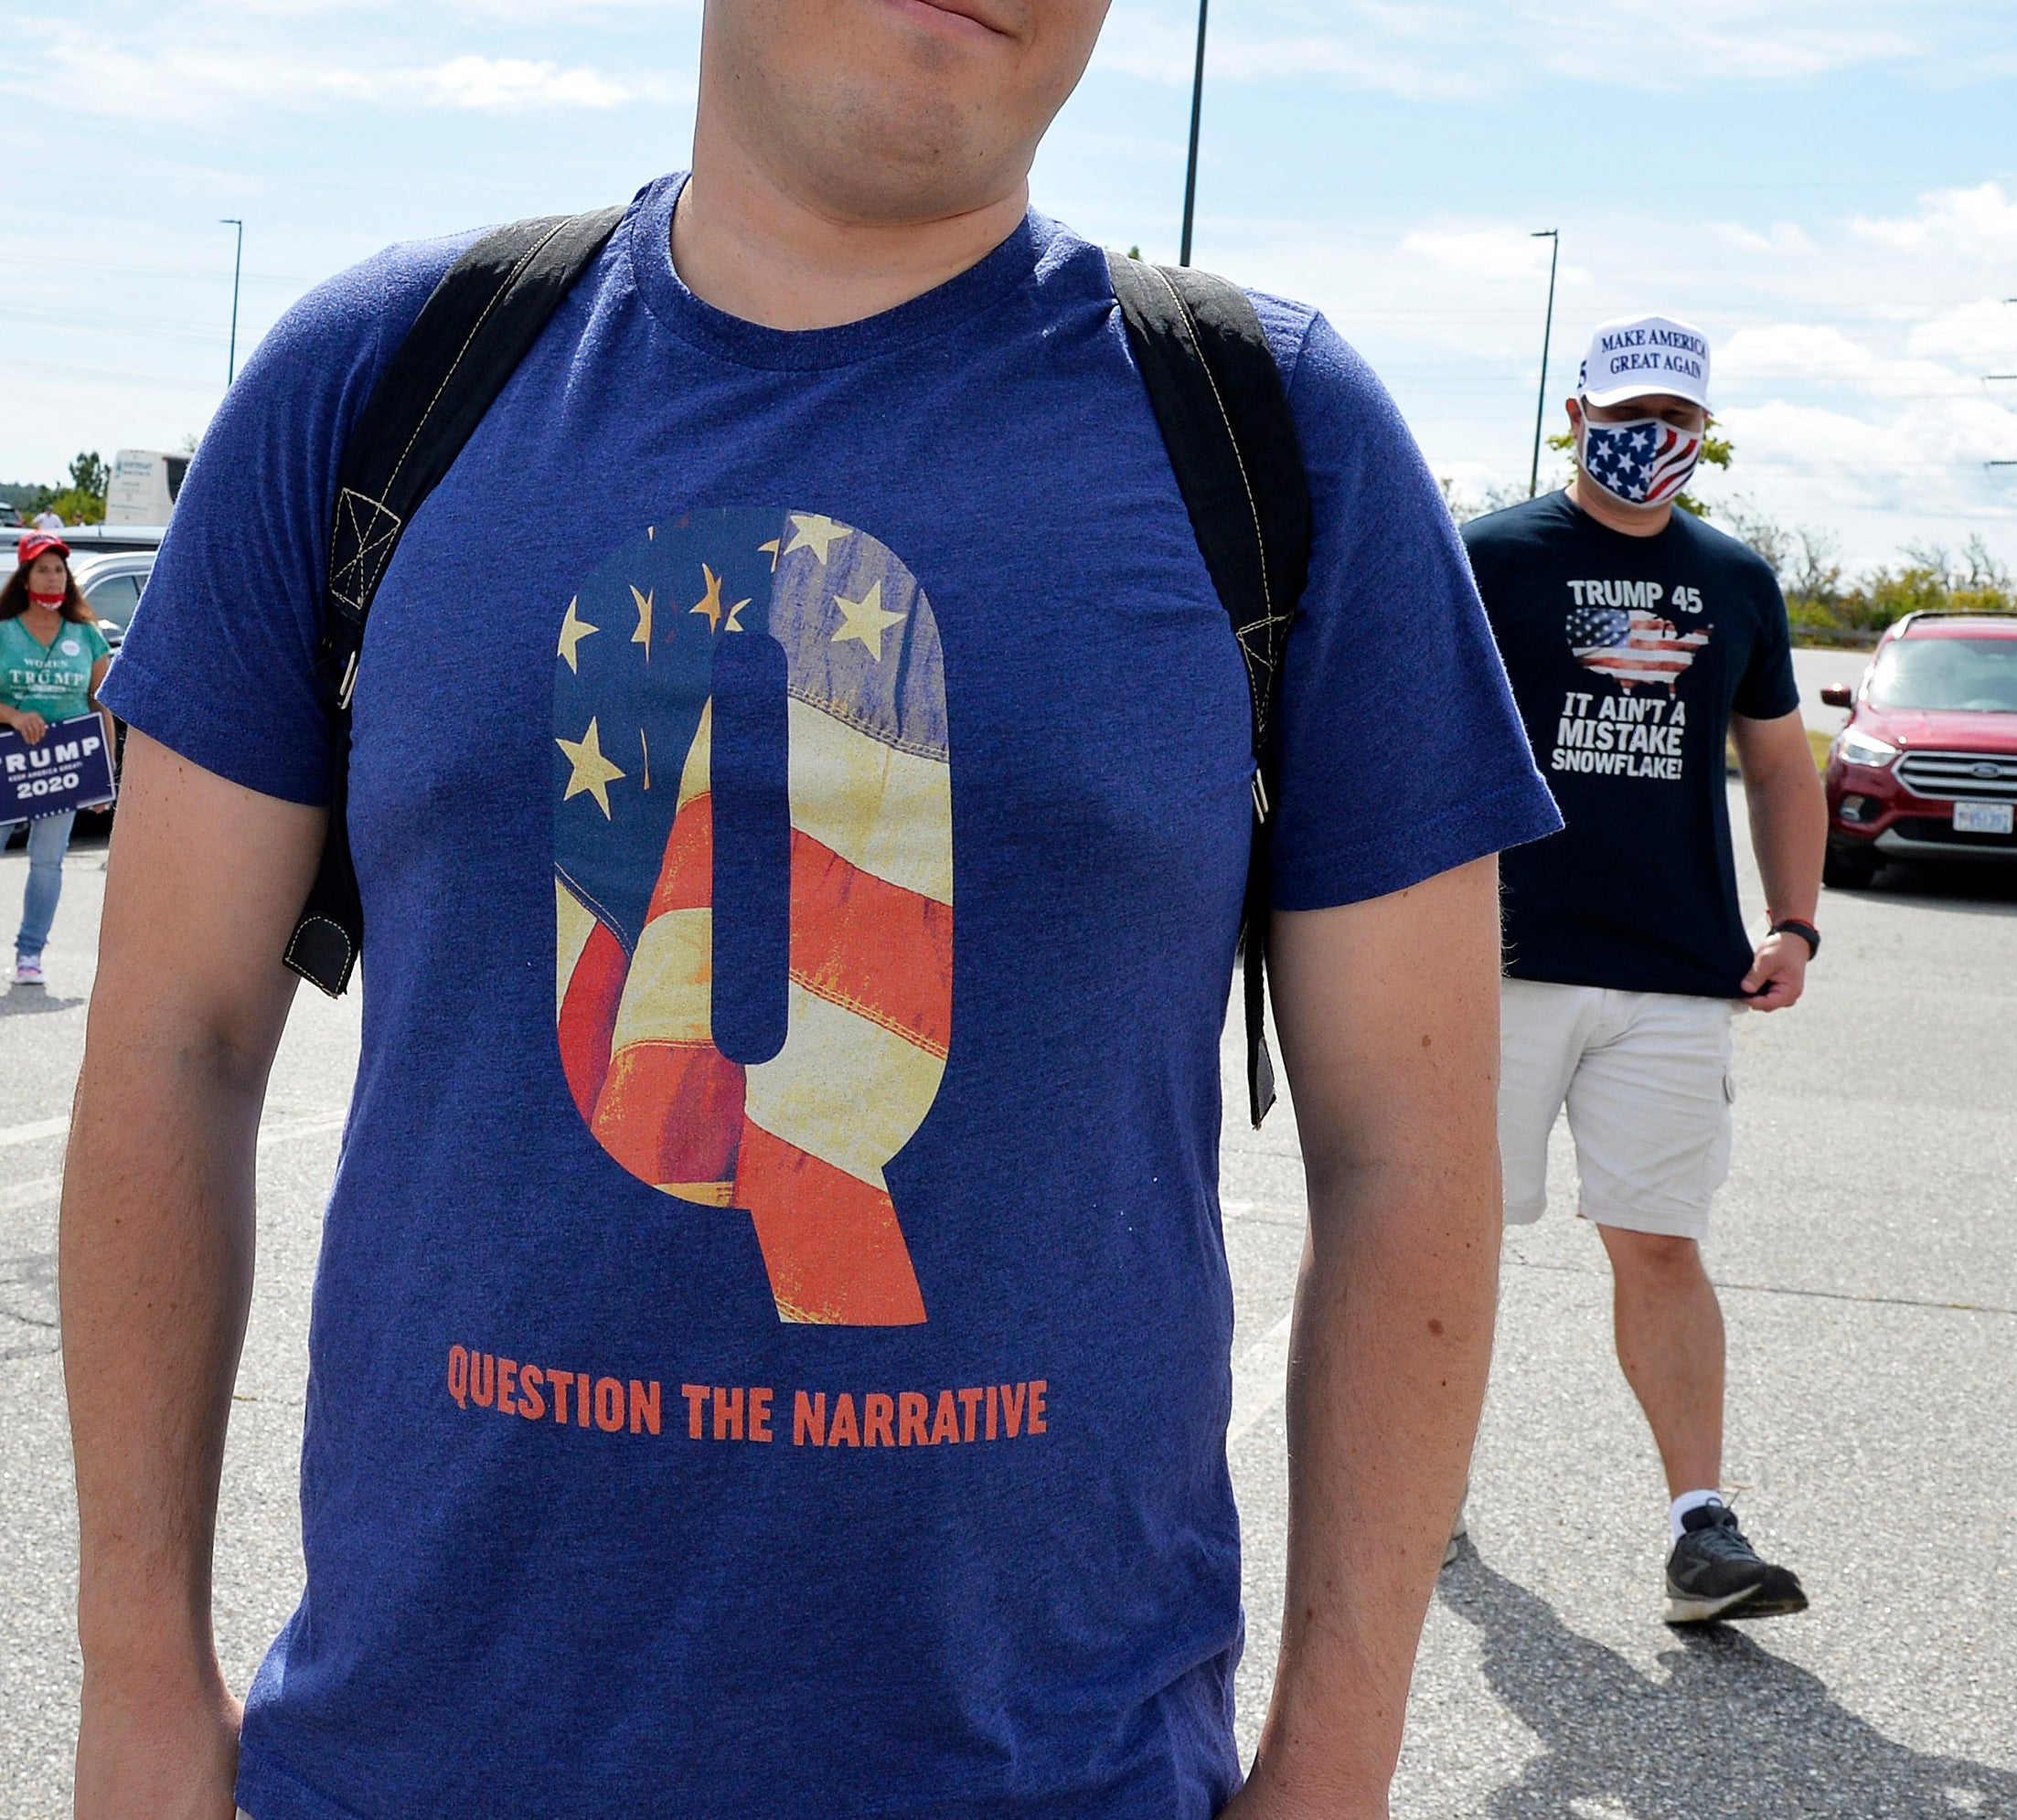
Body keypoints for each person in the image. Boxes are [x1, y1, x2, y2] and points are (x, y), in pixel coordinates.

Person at [59, 2, 1562, 1816]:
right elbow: (174, 1041)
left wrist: (1335, 1758)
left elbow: (1407, 1148)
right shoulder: (377, 383)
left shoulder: (1276, 441)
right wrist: (140, 1679)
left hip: (1059, 1775)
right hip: (405, 1770)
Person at [1462, 314, 1830, 1624]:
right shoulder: (1488, 556)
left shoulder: (1733, 578)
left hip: (1677, 974)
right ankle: (1419, 1481)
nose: (1649, 439)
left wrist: (1792, 921)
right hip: (1498, 963)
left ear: (1703, 434)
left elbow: (1782, 763)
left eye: (1675, 418)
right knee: (1453, 1241)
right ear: (1574, 415)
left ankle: (1701, 1529)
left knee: (1662, 1244)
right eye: (1627, 413)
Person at [0, 532, 113, 986]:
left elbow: (102, 703)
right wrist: (13, 714)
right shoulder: (5, 632)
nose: (52, 575)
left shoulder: (85, 634)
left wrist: (104, 776)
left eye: (58, 568)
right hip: (9, 764)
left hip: (64, 767)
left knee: (48, 861)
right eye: (42, 568)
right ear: (25, 577)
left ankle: (30, 954)